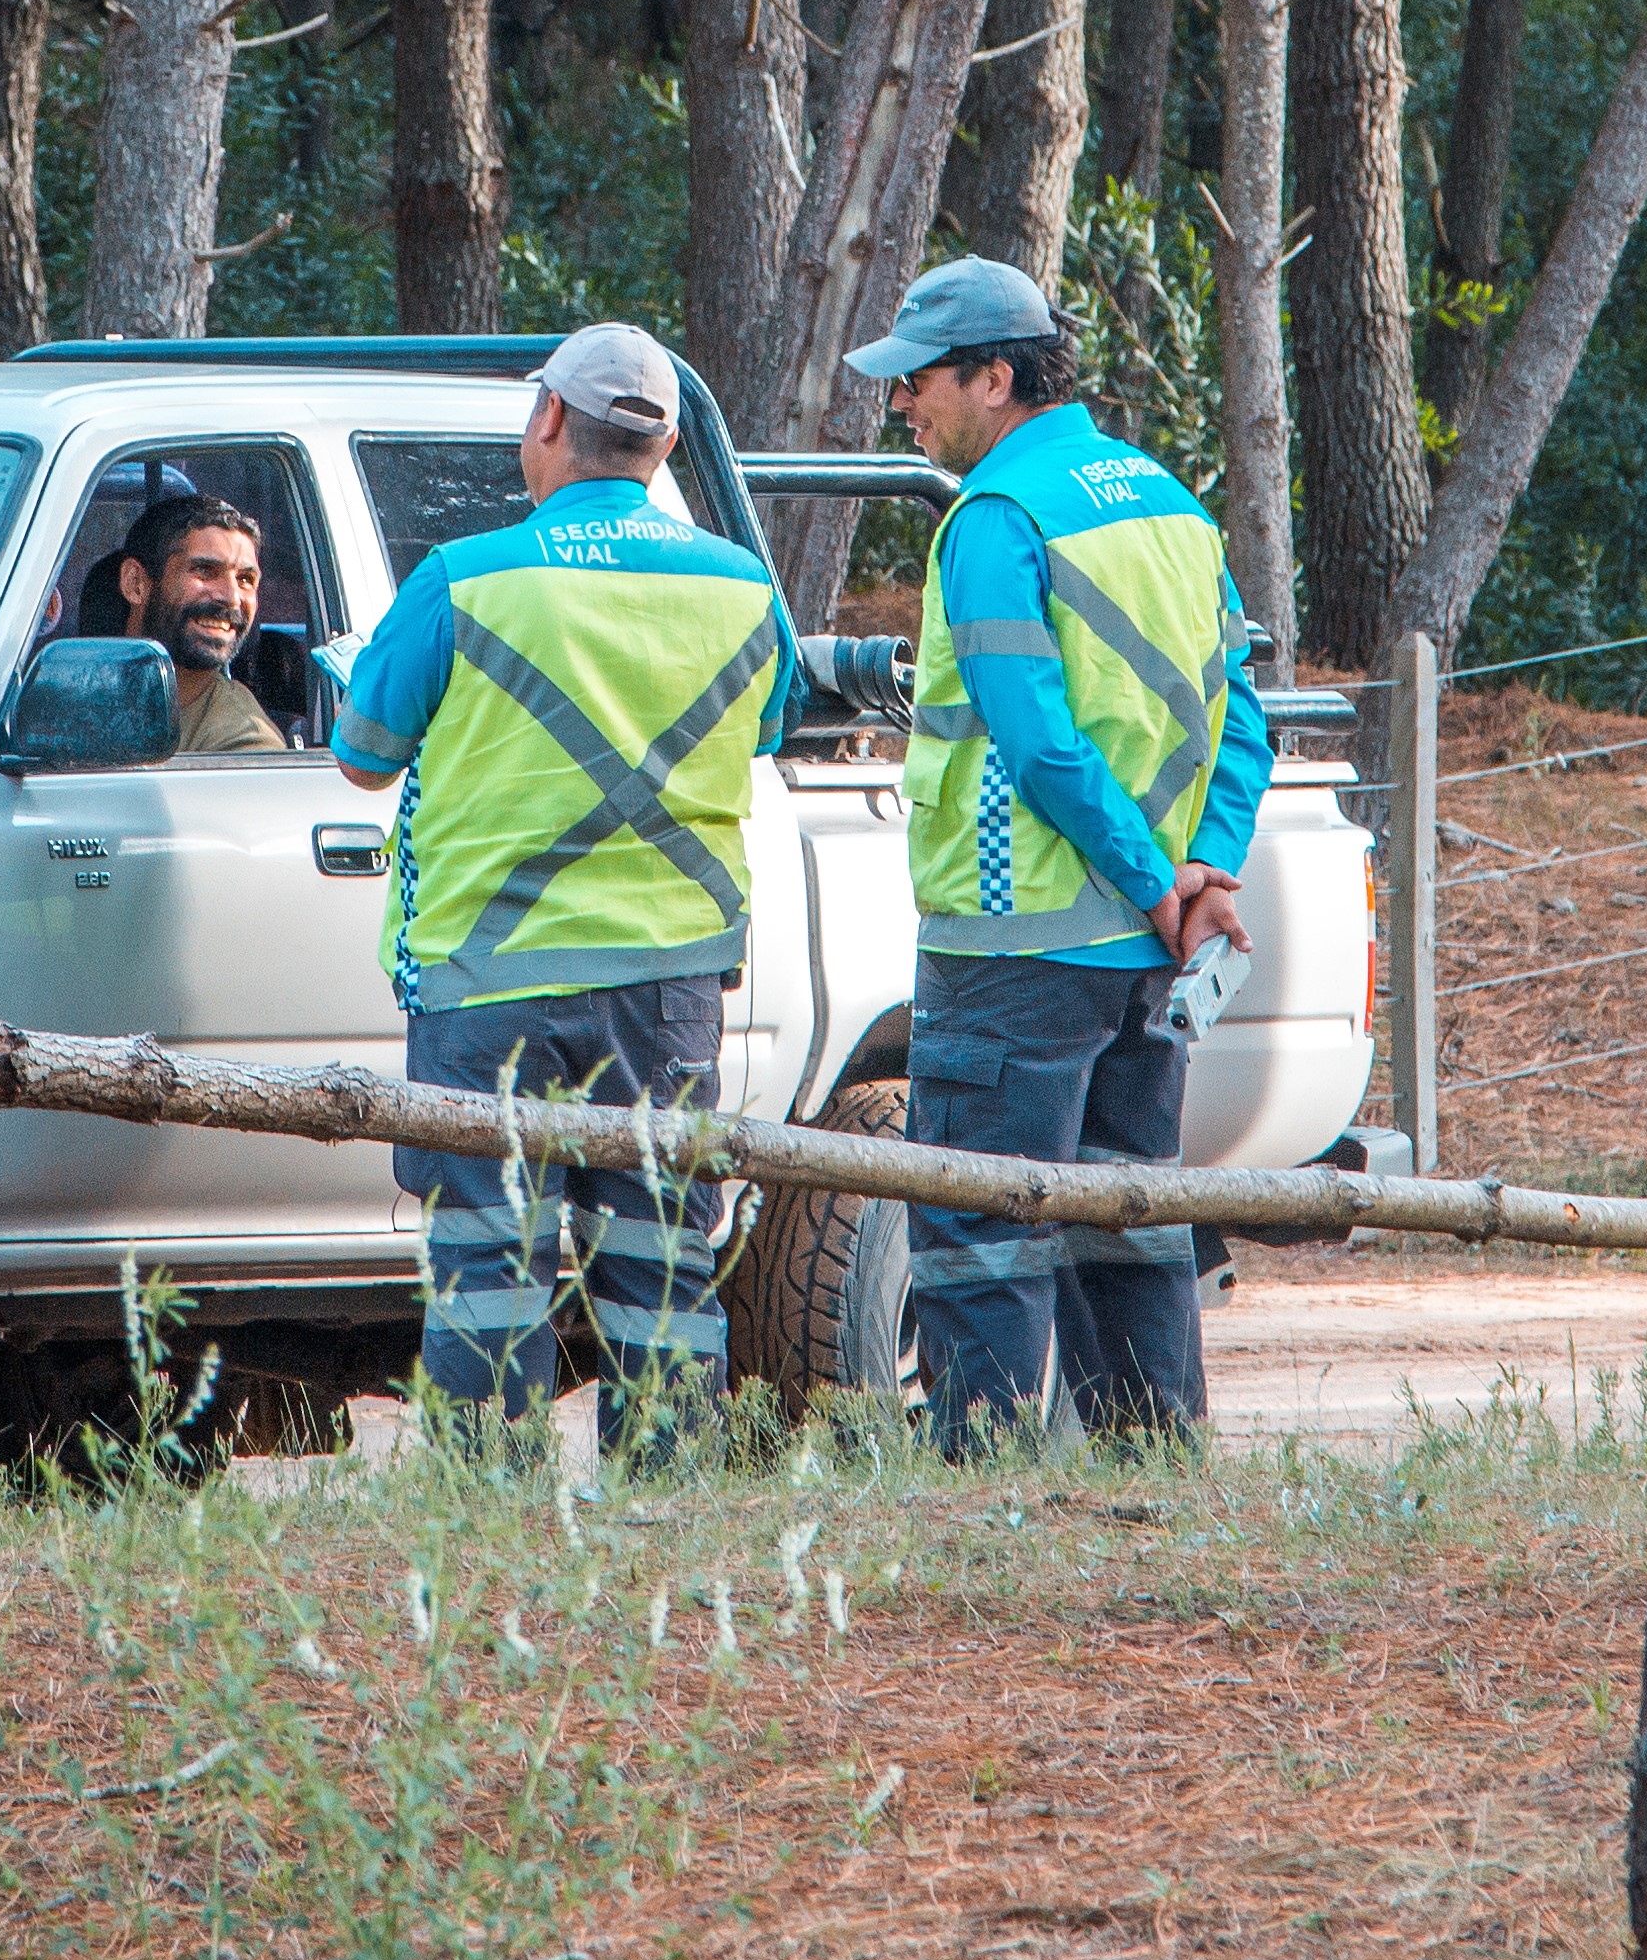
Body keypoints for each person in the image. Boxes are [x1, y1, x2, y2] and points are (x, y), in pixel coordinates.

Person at [333, 325, 796, 1467]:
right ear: (670, 443)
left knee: (490, 1267)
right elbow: (771, 724)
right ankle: (672, 1509)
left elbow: (363, 752)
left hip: (487, 989)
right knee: (664, 1267)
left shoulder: (463, 580)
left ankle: (493, 1520)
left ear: (548, 422)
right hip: (669, 989)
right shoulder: (745, 587)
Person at [843, 257, 1270, 1451]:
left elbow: (1037, 746)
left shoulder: (995, 521)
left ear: (995, 376)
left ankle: (981, 1501)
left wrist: (1156, 883)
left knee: (983, 1238)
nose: (900, 405)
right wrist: (1201, 878)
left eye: (916, 381)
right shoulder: (1169, 505)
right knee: (1130, 1227)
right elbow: (1244, 715)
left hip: (1015, 952)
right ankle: (1151, 1483)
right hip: (1143, 958)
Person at [110, 493, 287, 757]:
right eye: (205, 571)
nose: (231, 598)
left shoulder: (245, 742)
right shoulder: (74, 700)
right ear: (136, 583)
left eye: (245, 579)